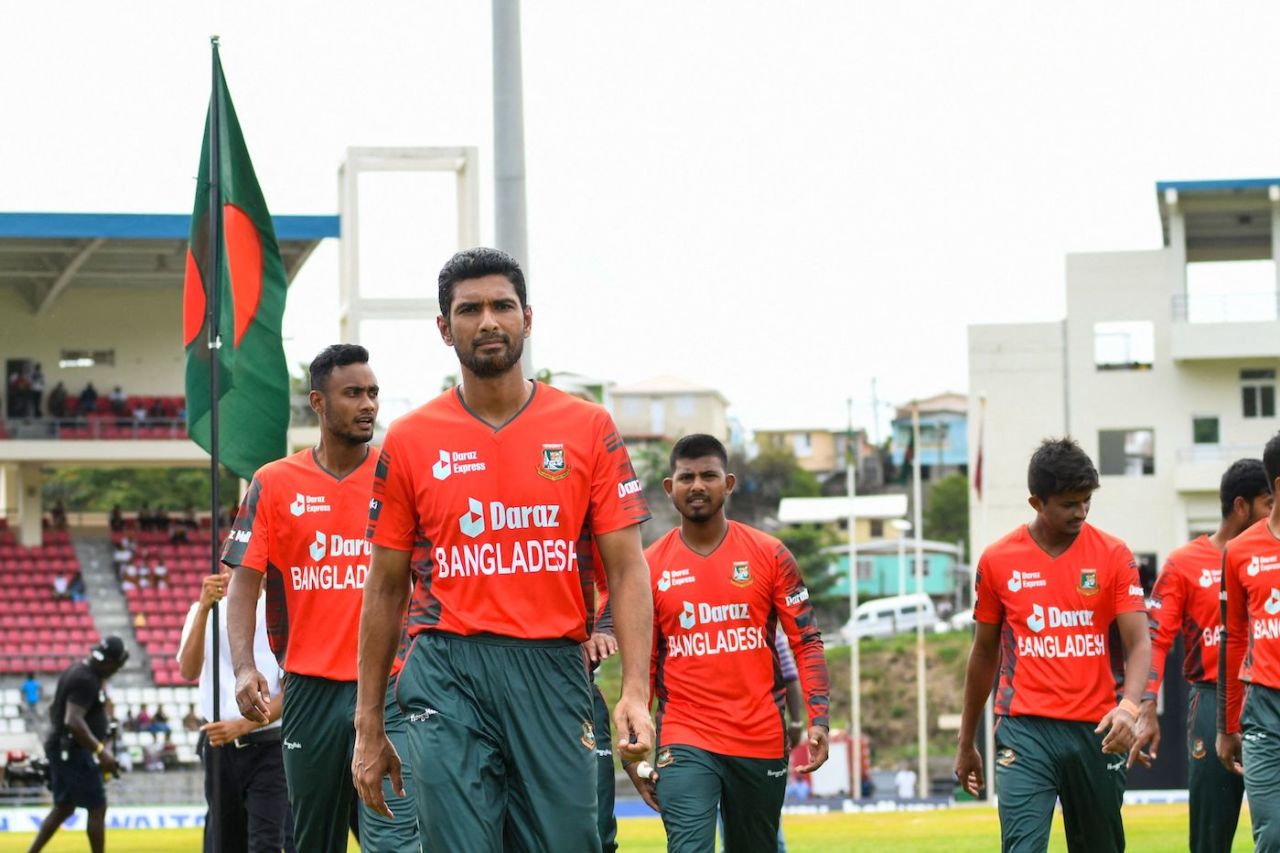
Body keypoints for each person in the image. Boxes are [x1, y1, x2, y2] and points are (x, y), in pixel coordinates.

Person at [352, 247, 656, 852]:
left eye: (502, 306)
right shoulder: (411, 439)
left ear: (528, 318)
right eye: (470, 309)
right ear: (445, 328)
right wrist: (368, 722)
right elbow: (384, 587)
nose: (488, 320)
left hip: (551, 670)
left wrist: (636, 693)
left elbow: (626, 569)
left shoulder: (588, 427)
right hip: (446, 671)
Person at [226, 344, 417, 853]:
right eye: (352, 393)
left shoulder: (399, 475)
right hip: (308, 692)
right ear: (318, 401)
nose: (368, 404)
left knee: (396, 837)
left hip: (392, 686)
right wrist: (244, 667)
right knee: (314, 841)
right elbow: (244, 582)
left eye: (373, 393)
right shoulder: (273, 482)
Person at [628, 434, 829, 852]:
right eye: (686, 477)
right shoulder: (648, 567)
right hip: (685, 737)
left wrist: (818, 718)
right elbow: (642, 662)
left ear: (729, 483)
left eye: (709, 475)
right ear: (670, 487)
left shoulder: (770, 554)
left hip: (759, 738)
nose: (697, 485)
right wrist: (635, 749)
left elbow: (806, 640)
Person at [953, 437, 1151, 852]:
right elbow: (984, 653)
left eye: (1086, 501)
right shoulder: (997, 560)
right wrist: (966, 740)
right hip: (1025, 730)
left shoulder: (1114, 555)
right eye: (1068, 503)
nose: (1080, 512)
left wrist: (1130, 708)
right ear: (1036, 503)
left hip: (1098, 731)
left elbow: (1138, 644)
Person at [1144, 459, 1271, 853]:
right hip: (1212, 700)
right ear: (1241, 507)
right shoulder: (1183, 563)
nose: (1274, 512)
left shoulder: (1270, 555)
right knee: (1211, 836)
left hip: (1267, 695)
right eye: (1268, 503)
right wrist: (1147, 702)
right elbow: (1156, 637)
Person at [178, 564, 294, 853]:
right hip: (219, 746)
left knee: (266, 841)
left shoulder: (280, 611)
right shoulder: (205, 611)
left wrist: (242, 726)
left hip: (269, 745)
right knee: (224, 839)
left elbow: (291, 693)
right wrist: (204, 609)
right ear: (223, 570)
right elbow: (189, 669)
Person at [1218, 432, 1280, 851]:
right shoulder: (1240, 551)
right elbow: (1234, 637)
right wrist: (1227, 726)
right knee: (1272, 836)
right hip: (1263, 710)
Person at [26, 636, 129, 853]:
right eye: (116, 666)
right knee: (97, 806)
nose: (115, 671)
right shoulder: (86, 679)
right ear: (108, 662)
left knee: (64, 807)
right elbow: (72, 720)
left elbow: (56, 709)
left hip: (64, 748)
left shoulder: (79, 670)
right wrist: (101, 751)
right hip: (72, 751)